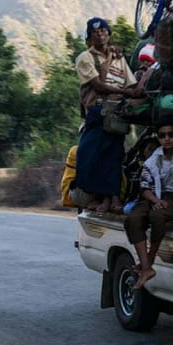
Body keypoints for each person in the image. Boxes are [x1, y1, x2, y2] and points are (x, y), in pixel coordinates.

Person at [74, 17, 142, 213]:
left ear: (109, 34)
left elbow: (130, 82)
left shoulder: (120, 58)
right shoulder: (85, 58)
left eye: (103, 30)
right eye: (95, 31)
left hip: (116, 112)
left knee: (114, 156)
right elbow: (98, 85)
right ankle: (94, 197)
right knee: (89, 155)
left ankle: (111, 199)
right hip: (97, 112)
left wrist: (139, 88)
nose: (100, 33)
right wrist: (126, 93)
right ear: (89, 37)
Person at [124, 122, 173, 290]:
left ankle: (149, 260)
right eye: (162, 135)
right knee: (134, 217)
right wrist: (155, 201)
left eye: (171, 134)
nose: (167, 139)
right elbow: (144, 188)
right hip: (154, 194)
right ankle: (146, 267)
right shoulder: (153, 159)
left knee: (157, 216)